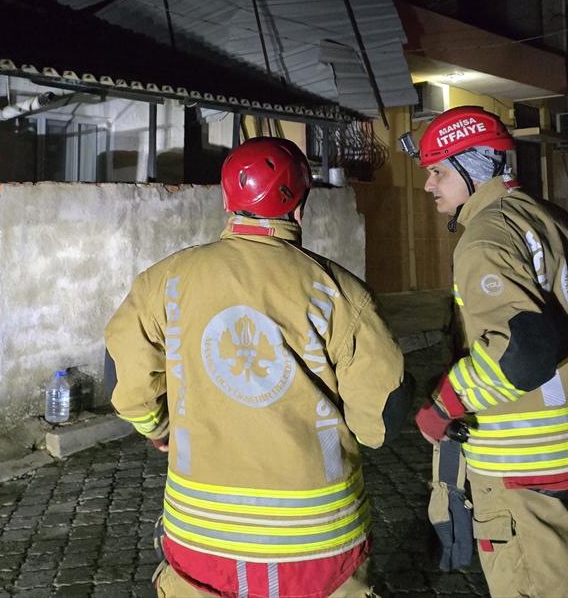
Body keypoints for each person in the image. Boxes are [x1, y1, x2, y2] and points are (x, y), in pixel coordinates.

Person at [105, 137, 413, 598]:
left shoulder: (165, 279)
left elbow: (126, 379)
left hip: (202, 540)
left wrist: (158, 426)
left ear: (228, 203)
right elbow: (383, 418)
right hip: (318, 543)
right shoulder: (339, 291)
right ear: (300, 208)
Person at [407, 106, 568, 598]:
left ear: (475, 168)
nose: (429, 186)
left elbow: (524, 353)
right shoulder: (551, 217)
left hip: (527, 473)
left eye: (438, 171)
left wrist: (444, 405)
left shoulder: (485, 237)